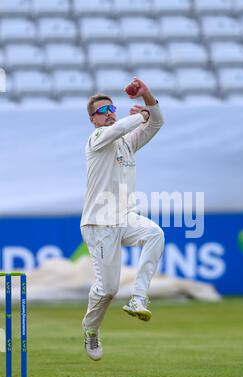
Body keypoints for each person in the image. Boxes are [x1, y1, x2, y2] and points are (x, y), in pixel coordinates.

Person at [80, 77, 165, 361]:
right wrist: (140, 115)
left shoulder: (126, 143)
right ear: (93, 120)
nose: (109, 113)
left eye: (111, 108)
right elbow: (121, 127)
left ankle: (139, 297)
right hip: (98, 222)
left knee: (155, 233)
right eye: (102, 111)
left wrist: (147, 96)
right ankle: (90, 329)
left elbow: (156, 123)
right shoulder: (95, 140)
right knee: (108, 290)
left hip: (124, 217)